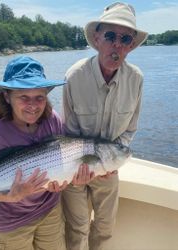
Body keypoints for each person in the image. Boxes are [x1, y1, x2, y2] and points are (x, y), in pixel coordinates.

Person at [61, 2, 148, 250]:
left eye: (125, 38)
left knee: (105, 228)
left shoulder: (137, 79)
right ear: (97, 39)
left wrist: (112, 160)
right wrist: (84, 164)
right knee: (77, 229)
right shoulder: (74, 76)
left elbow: (130, 128)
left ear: (131, 45)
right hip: (74, 167)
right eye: (110, 36)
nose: (117, 45)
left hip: (109, 167)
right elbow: (69, 132)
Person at [0, 56, 67, 250]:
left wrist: (63, 180)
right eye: (24, 97)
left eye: (39, 97)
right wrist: (12, 196)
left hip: (48, 210)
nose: (33, 105)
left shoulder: (52, 120)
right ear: (7, 97)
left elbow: (59, 160)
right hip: (7, 223)